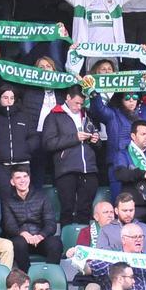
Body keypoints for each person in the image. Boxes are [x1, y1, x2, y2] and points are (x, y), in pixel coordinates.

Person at [43, 86, 101, 226]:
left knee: (85, 211)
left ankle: (83, 244)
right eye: (76, 103)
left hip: (89, 169)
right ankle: (67, 245)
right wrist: (75, 138)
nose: (79, 106)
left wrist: (95, 140)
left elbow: (98, 145)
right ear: (68, 98)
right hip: (66, 169)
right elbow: (48, 143)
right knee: (67, 210)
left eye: (81, 103)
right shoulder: (54, 115)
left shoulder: (87, 115)